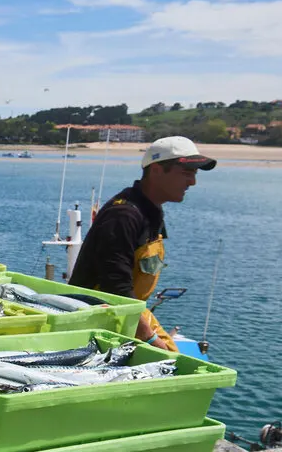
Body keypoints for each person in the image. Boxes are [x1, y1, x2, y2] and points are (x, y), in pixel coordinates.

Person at [69, 136, 216, 351]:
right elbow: (115, 289)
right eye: (186, 173)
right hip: (101, 316)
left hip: (130, 311)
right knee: (167, 362)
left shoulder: (150, 210)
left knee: (172, 356)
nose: (192, 182)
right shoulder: (123, 215)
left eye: (194, 175)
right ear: (156, 170)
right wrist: (148, 339)